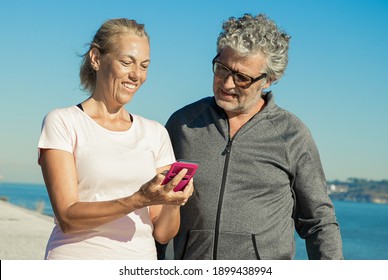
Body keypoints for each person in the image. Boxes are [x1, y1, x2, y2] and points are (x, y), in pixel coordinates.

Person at [164, 13, 343, 259]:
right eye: (222, 69)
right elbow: (156, 209)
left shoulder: (291, 135)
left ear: (269, 79)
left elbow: (318, 222)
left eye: (242, 78)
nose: (227, 84)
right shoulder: (182, 124)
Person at [37, 18, 193, 260]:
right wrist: (138, 199)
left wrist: (173, 200)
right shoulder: (63, 122)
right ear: (96, 58)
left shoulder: (155, 133)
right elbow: (68, 217)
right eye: (126, 62)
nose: (136, 75)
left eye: (144, 65)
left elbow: (163, 233)